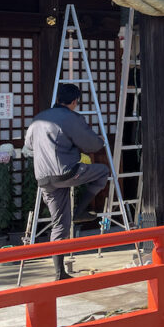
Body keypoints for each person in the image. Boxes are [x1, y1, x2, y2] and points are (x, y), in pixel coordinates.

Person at [24, 83, 110, 279]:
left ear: (57, 99)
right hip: (67, 172)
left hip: (44, 179)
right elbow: (93, 144)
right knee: (102, 171)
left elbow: (28, 147)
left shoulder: (38, 119)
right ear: (74, 101)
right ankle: (80, 210)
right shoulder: (70, 118)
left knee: (60, 223)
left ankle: (59, 272)